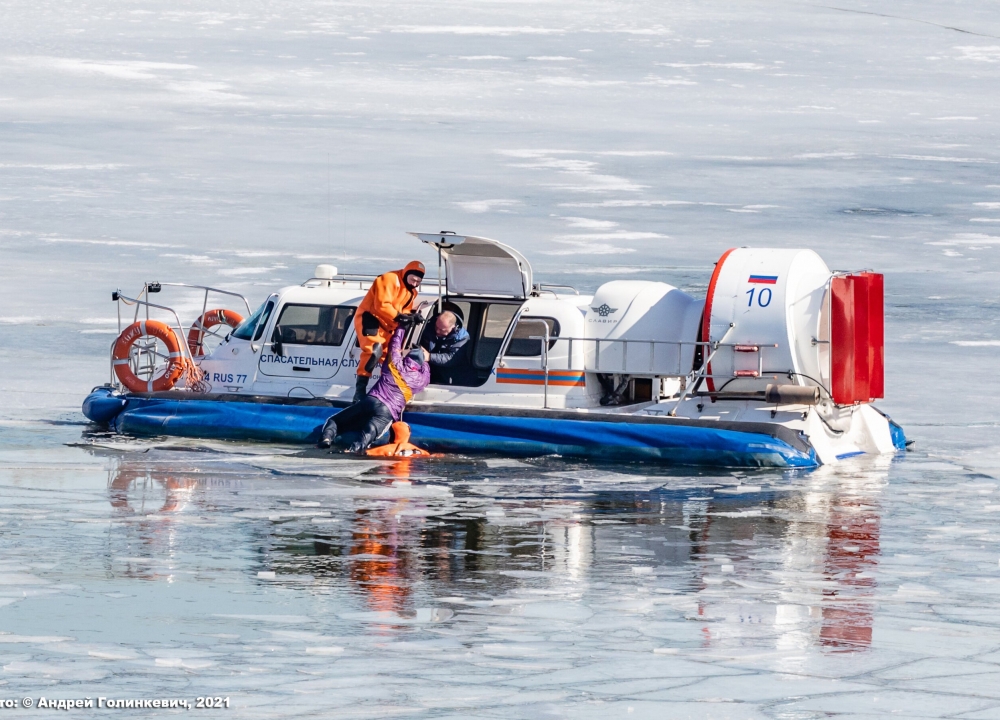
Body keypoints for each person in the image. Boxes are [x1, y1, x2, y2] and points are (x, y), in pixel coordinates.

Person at [319, 326, 430, 453]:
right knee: (369, 433)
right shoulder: (421, 380)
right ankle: (352, 450)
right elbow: (427, 374)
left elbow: (394, 345)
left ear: (407, 357)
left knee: (334, 420)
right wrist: (425, 361)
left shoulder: (395, 364)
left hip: (371, 400)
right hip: (387, 411)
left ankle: (326, 439)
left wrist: (401, 328)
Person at [353, 260, 425, 402]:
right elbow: (381, 305)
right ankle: (359, 391)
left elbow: (404, 310)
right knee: (373, 351)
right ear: (406, 273)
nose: (415, 283)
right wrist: (399, 317)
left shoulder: (412, 292)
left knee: (391, 358)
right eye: (413, 279)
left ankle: (384, 390)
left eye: (418, 281)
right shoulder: (389, 279)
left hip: (389, 326)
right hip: (370, 318)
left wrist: (411, 317)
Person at [419, 310, 471, 385]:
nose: (437, 331)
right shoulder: (429, 326)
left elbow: (452, 358)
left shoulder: (462, 338)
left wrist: (429, 357)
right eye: (436, 327)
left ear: (453, 327)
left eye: (442, 330)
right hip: (429, 371)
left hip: (451, 374)